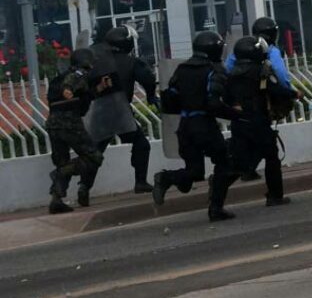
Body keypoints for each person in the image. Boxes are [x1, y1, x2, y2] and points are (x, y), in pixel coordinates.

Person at [152, 31, 242, 222]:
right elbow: (214, 104)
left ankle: (166, 178)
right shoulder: (214, 70)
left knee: (195, 171)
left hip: (185, 126)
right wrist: (236, 114)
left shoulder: (182, 69)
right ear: (215, 49)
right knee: (226, 164)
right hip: (204, 126)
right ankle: (216, 209)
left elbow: (170, 100)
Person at [226, 36, 298, 206]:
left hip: (238, 122)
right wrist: (294, 94)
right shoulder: (261, 71)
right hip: (258, 120)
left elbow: (225, 96)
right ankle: (275, 196)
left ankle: (219, 185)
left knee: (241, 160)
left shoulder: (230, 73)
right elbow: (276, 89)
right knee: (271, 157)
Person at [84, 26, 155, 197]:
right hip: (121, 111)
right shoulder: (130, 61)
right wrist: (152, 97)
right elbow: (148, 79)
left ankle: (84, 188)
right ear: (128, 42)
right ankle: (140, 182)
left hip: (100, 112)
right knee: (141, 144)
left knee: (96, 151)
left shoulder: (96, 61)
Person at [46, 49, 109, 213]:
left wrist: (99, 88)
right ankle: (59, 173)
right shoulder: (78, 74)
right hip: (69, 122)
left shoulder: (57, 78)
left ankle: (56, 200)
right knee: (94, 157)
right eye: (91, 62)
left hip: (53, 122)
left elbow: (83, 97)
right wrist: (68, 88)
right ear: (85, 62)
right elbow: (72, 81)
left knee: (62, 160)